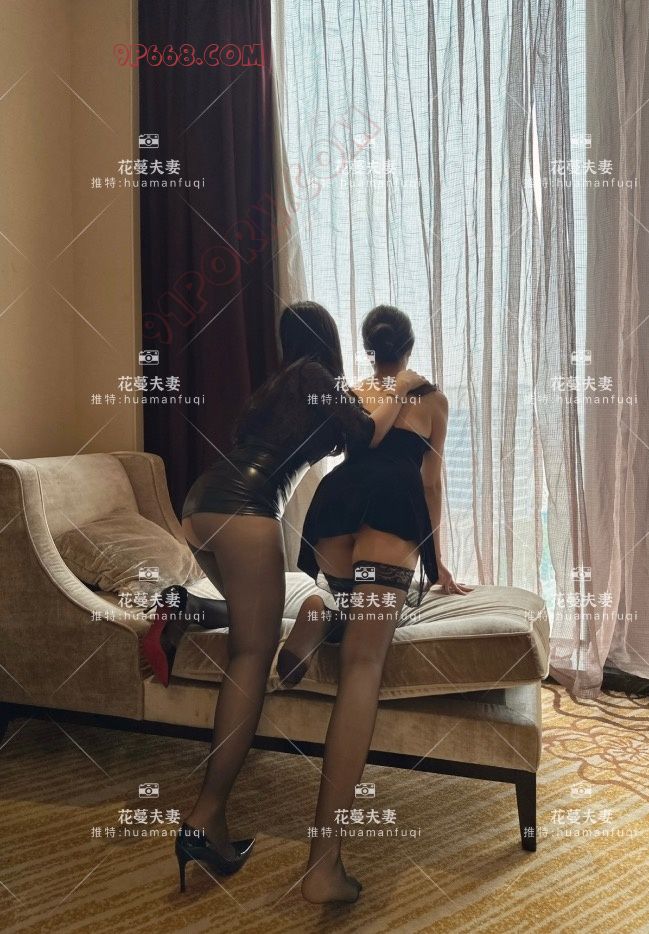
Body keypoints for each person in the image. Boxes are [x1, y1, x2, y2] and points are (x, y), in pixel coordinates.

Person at [141, 300, 428, 891]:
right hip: (247, 509)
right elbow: (365, 433)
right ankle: (205, 816)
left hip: (201, 504)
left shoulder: (276, 386)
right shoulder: (315, 376)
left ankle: (189, 607)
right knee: (252, 653)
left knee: (258, 620)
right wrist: (398, 388)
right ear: (328, 340)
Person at [280, 304, 469, 904]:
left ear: (369, 349)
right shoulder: (432, 400)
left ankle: (321, 612)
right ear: (409, 346)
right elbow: (430, 484)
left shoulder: (359, 392)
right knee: (364, 665)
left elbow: (349, 443)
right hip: (392, 507)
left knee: (351, 605)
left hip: (335, 503)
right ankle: (322, 865)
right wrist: (436, 563)